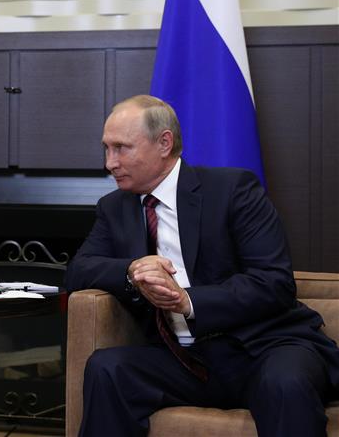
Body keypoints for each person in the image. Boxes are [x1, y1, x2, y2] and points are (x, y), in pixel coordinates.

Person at [66, 94, 339, 437]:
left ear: (164, 143)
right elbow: (77, 271)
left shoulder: (233, 190)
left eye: (121, 148)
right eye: (107, 149)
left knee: (285, 383)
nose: (110, 163)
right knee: (107, 368)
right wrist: (131, 270)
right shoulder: (115, 208)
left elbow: (274, 283)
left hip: (264, 347)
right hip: (185, 358)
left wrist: (189, 301)